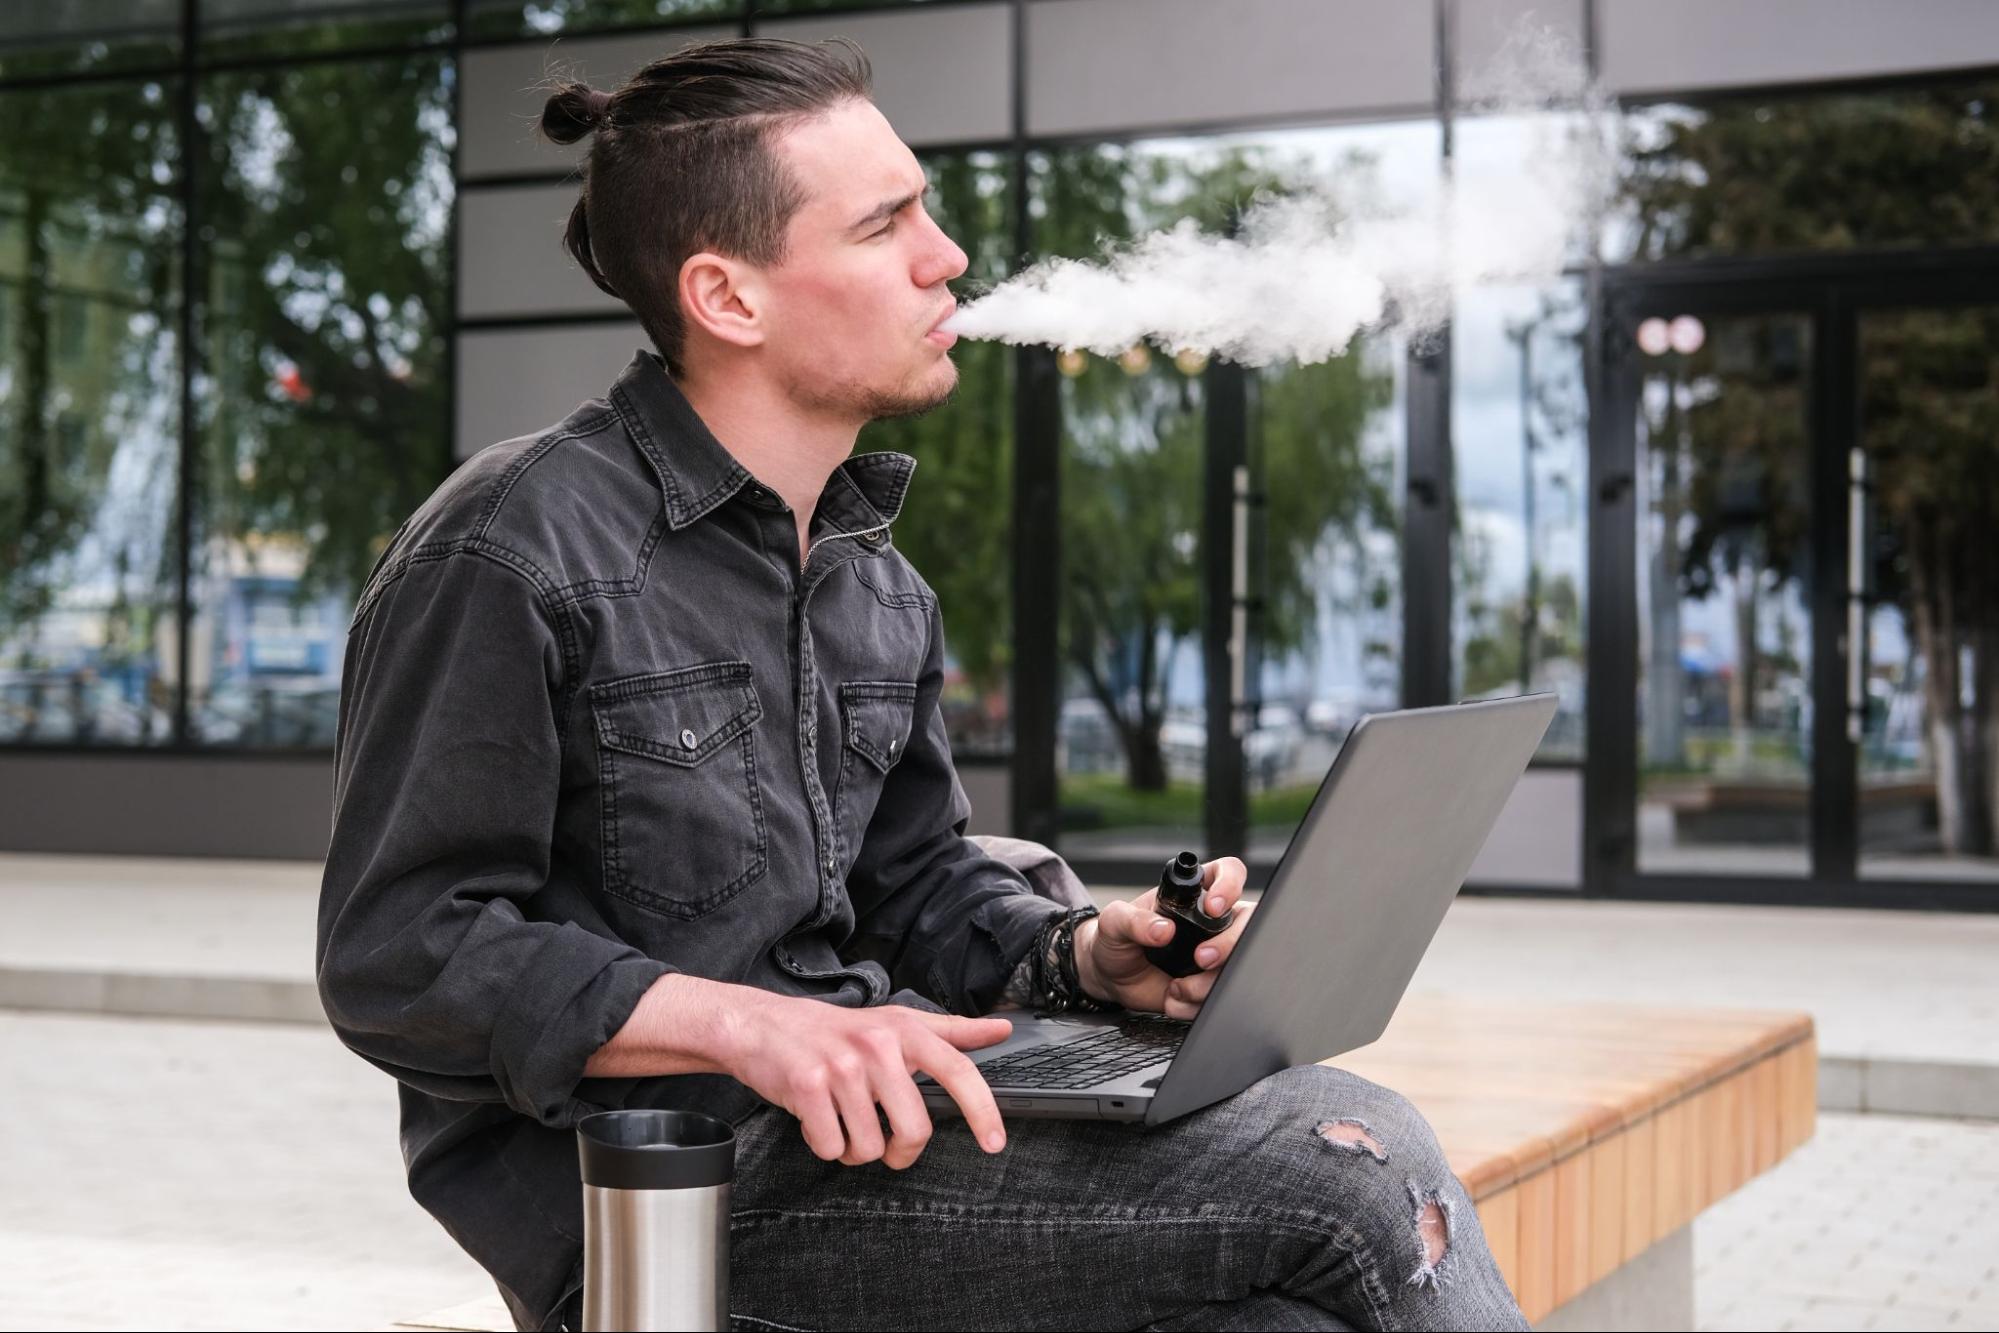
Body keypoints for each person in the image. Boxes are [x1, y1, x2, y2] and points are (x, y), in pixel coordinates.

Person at [315, 36, 1528, 1333]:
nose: (944, 256)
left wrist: (1082, 956)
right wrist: (749, 1029)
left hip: (882, 1142)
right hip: (685, 1202)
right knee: (1358, 1156)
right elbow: (398, 954)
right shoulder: (510, 547)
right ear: (729, 298)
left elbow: (915, 887)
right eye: (887, 223)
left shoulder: (872, 581)